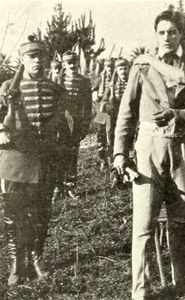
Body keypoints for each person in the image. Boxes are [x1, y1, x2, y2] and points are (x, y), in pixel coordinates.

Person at [113, 10, 185, 300]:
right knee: (143, 225)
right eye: (162, 32)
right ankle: (140, 290)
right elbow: (126, 113)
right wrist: (119, 154)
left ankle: (180, 283)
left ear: (181, 36)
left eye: (172, 32)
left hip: (181, 148)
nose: (167, 37)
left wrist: (182, 114)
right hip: (149, 149)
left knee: (180, 220)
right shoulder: (140, 69)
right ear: (156, 35)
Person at [0, 37, 65, 286]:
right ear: (23, 60)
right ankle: (17, 263)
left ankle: (37, 259)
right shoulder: (7, 87)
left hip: (44, 161)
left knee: (40, 214)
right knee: (14, 215)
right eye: (31, 57)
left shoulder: (55, 88)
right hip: (15, 161)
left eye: (41, 56)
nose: (37, 61)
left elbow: (64, 121)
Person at [57, 51, 92, 199]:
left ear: (78, 63)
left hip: (76, 122)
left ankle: (70, 185)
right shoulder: (58, 80)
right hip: (60, 122)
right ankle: (58, 187)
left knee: (72, 154)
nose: (72, 65)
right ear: (64, 65)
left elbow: (87, 105)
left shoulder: (84, 81)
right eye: (68, 63)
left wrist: (85, 125)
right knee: (58, 154)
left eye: (74, 62)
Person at [93, 58, 114, 170]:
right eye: (107, 66)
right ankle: (103, 161)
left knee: (112, 138)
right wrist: (98, 94)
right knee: (101, 139)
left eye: (111, 66)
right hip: (100, 115)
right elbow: (93, 95)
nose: (110, 68)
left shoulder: (117, 78)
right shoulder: (99, 79)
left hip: (112, 114)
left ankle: (113, 161)